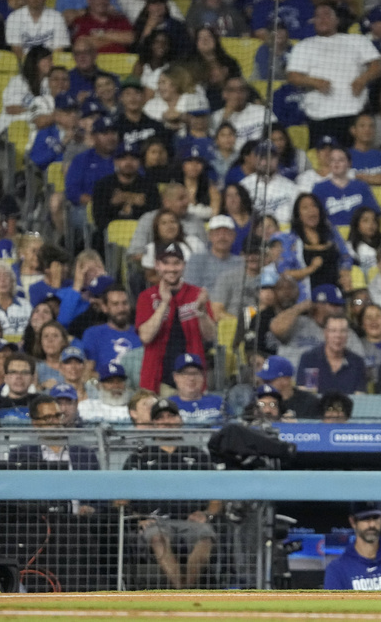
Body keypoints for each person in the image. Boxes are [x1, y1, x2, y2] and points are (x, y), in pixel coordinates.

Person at [120, 399, 222, 589]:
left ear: (180, 420)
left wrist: (207, 514)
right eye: (160, 418)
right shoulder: (140, 457)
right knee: (158, 537)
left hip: (190, 522)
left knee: (205, 536)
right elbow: (120, 500)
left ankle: (186, 592)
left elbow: (217, 498)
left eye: (171, 416)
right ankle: (182, 592)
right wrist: (137, 519)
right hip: (154, 522)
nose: (166, 421)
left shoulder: (198, 455)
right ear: (153, 425)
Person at [287, 4, 381, 146]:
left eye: (326, 14)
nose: (321, 19)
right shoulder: (303, 46)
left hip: (354, 114)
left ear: (337, 20)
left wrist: (363, 79)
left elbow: (377, 66)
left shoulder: (357, 40)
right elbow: (292, 76)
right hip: (320, 116)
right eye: (318, 16)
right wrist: (314, 82)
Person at [136, 243, 216, 394]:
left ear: (184, 265)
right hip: (157, 380)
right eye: (166, 263)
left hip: (192, 382)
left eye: (176, 263)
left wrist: (202, 312)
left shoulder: (197, 294)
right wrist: (164, 303)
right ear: (157, 266)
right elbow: (145, 337)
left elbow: (210, 336)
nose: (171, 269)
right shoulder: (146, 297)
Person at [323, 501, 381, 591]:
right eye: (365, 518)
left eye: (376, 517)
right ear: (353, 522)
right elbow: (333, 608)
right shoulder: (337, 569)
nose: (372, 524)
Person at [295, 315, 366, 394]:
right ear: (325, 333)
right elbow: (306, 395)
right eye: (333, 331)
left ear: (348, 334)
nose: (338, 336)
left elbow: (360, 398)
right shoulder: (309, 359)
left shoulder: (357, 362)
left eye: (343, 331)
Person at [6, 0, 70, 59]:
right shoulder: (14, 17)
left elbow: (59, 50)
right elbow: (17, 50)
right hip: (24, 67)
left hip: (50, 66)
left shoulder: (57, 17)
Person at [255, 355, 320, 419]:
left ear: (285, 380)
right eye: (263, 380)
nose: (264, 384)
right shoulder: (257, 399)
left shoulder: (308, 403)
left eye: (268, 381)